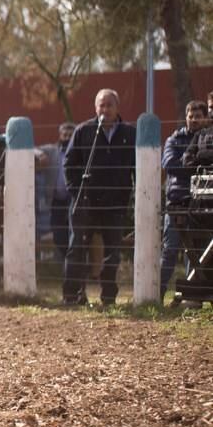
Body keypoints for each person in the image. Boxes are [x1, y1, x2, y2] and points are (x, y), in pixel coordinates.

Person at [61, 89, 136, 306]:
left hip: (115, 204)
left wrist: (131, 195)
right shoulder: (84, 131)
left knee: (112, 251)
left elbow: (136, 167)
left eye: (109, 105)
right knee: (77, 249)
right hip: (85, 202)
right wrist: (77, 192)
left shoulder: (129, 134)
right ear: (96, 108)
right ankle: (72, 295)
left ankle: (109, 296)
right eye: (101, 106)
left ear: (117, 107)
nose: (105, 110)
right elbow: (69, 164)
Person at [161, 100, 209, 300]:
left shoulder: (207, 138)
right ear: (186, 117)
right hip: (177, 201)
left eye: (198, 116)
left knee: (196, 253)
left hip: (201, 203)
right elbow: (169, 164)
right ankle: (157, 295)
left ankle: (190, 299)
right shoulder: (174, 139)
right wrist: (198, 166)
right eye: (191, 116)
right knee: (169, 251)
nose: (194, 119)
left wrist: (194, 163)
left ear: (205, 118)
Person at [44, 123, 76, 261]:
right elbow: (32, 149)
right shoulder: (52, 151)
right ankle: (66, 263)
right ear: (60, 136)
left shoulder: (79, 153)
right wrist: (40, 155)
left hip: (73, 198)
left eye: (70, 135)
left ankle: (75, 266)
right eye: (65, 135)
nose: (67, 138)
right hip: (56, 200)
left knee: (74, 232)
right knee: (58, 234)